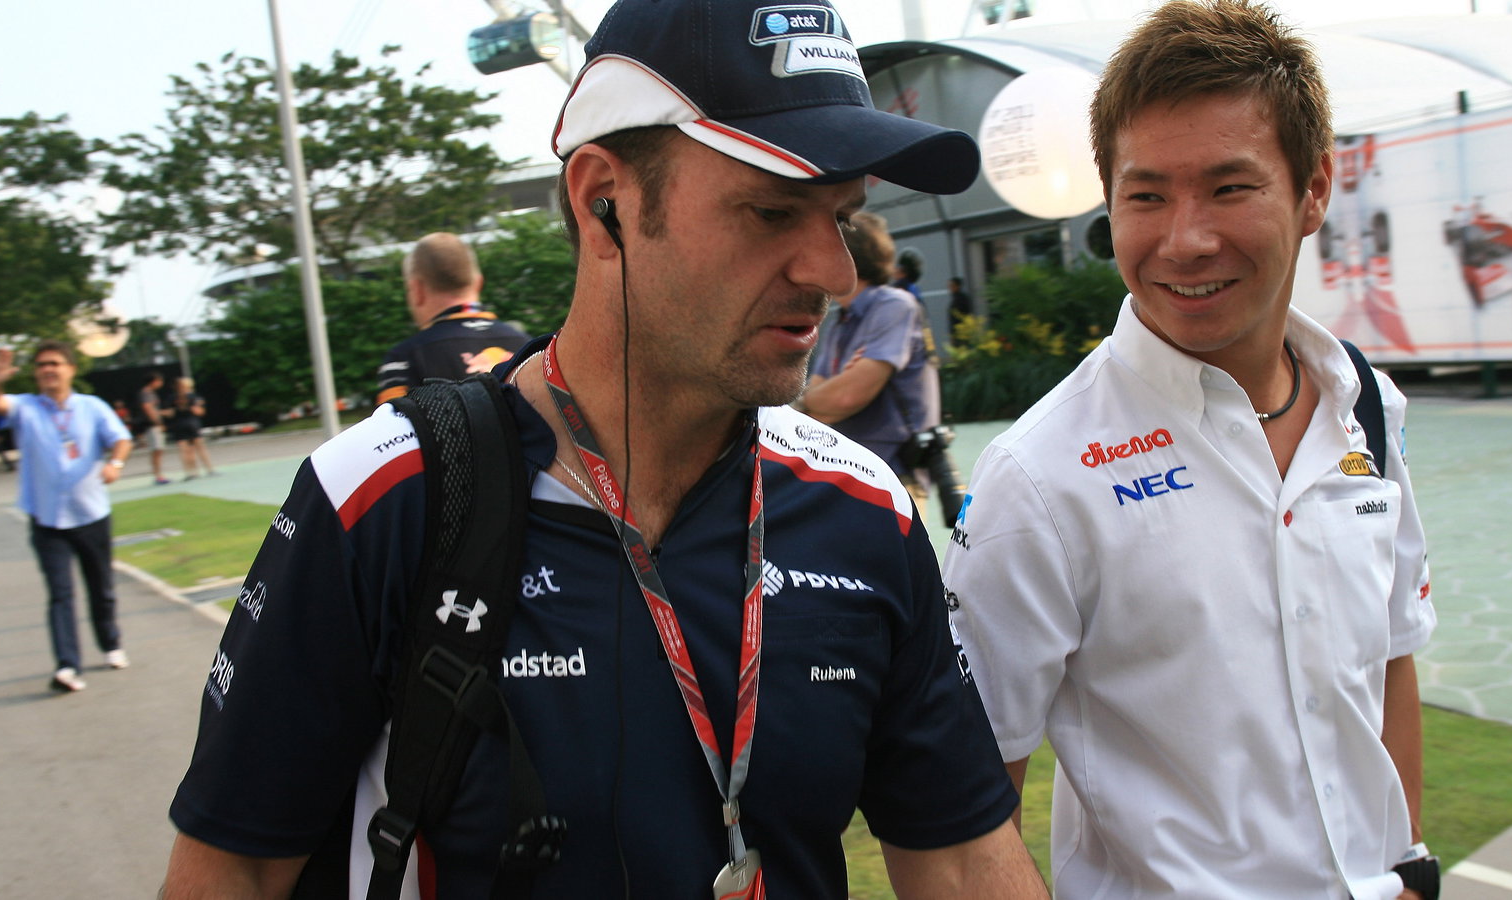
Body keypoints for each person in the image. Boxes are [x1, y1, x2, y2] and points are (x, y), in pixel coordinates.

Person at [162, 1, 1046, 898]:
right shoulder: (386, 496)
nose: (833, 272)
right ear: (604, 202)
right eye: (774, 211)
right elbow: (234, 868)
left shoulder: (862, 509)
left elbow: (966, 859)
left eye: (843, 218)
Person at [942, 2, 1438, 898]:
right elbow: (969, 811)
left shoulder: (1363, 404)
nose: (1185, 239)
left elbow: (1392, 659)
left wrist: (1407, 867)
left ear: (1314, 188)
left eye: (1229, 186)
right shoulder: (1037, 478)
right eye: (1146, 195)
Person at [0, 342, 134, 692]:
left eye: (54, 363)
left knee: (102, 588)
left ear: (70, 368)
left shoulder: (91, 407)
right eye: (40, 365)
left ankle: (111, 643)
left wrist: (115, 463)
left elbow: (121, 439)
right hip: (47, 518)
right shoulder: (26, 407)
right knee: (60, 593)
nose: (47, 369)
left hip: (91, 513)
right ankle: (67, 665)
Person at [801, 212, 963, 524]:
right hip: (846, 476)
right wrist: (824, 397)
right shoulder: (840, 321)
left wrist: (813, 400)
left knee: (893, 572)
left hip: (893, 479)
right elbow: (822, 410)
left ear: (847, 257)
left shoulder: (893, 305)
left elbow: (847, 398)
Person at [373, 232, 531, 406]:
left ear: (417, 290)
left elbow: (393, 431)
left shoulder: (404, 360)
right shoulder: (529, 347)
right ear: (479, 283)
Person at [167, 377, 217, 479]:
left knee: (184, 450)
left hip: (178, 424)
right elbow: (198, 411)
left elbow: (169, 413)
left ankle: (190, 473)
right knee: (200, 447)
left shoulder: (171, 398)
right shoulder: (193, 397)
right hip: (192, 423)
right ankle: (209, 469)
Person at [137, 371, 171, 485]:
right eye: (159, 381)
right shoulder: (145, 393)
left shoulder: (151, 393)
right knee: (156, 450)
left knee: (159, 450)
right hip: (151, 426)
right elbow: (148, 409)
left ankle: (159, 474)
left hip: (155, 425)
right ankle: (158, 476)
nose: (161, 383)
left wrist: (162, 413)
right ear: (154, 381)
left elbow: (154, 410)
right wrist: (158, 423)